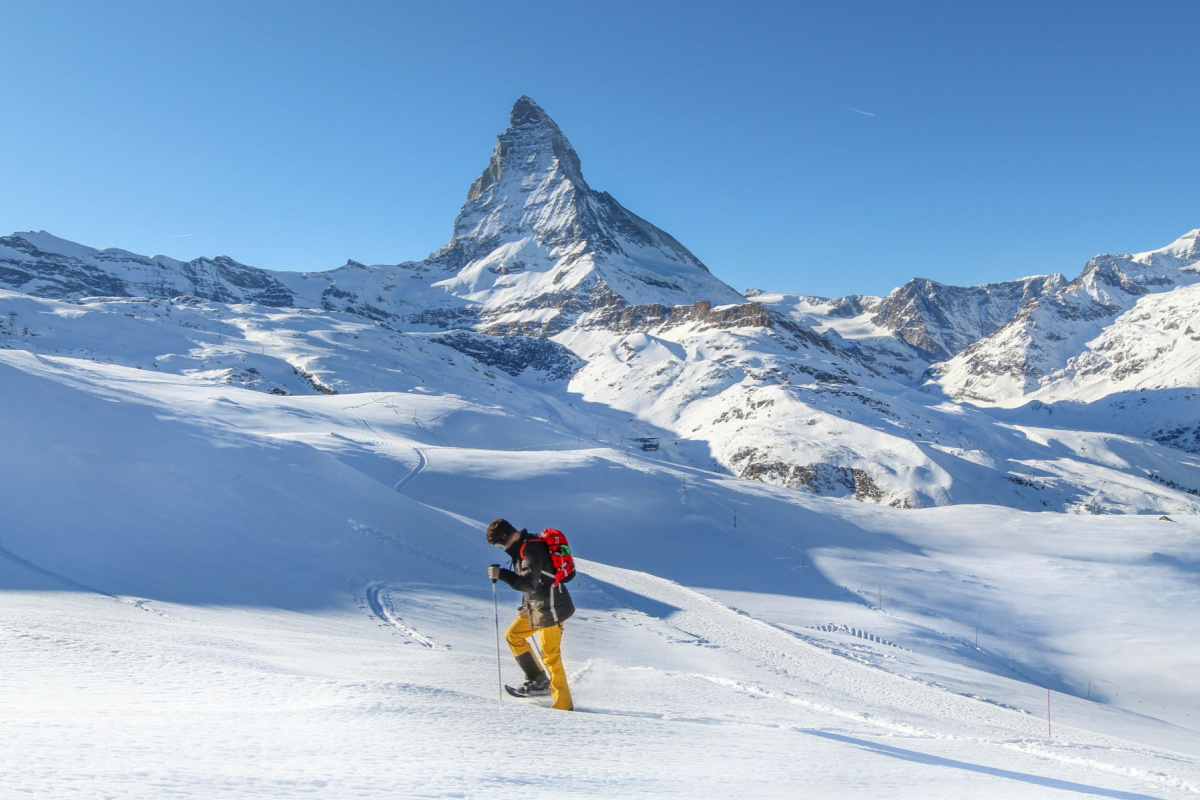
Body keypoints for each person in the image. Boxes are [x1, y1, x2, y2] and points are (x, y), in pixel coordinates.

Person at [486, 518, 574, 711]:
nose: (502, 547)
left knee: (551, 656)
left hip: (552, 609)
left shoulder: (529, 551)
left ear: (506, 537)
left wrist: (502, 574)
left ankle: (563, 705)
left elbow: (527, 583)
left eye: (500, 543)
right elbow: (537, 582)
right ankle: (539, 681)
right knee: (514, 635)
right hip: (537, 606)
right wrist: (525, 605)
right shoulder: (524, 547)